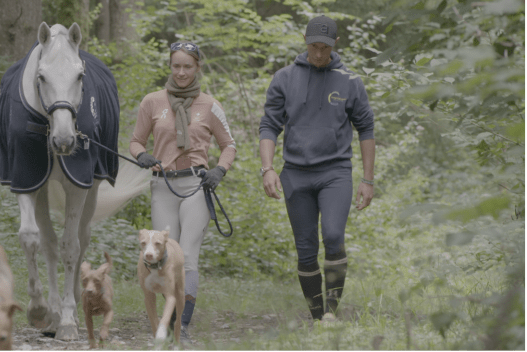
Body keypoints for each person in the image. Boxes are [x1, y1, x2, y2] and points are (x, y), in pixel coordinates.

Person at [259, 15, 375, 323]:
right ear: (305, 42)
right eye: (313, 47)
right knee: (306, 248)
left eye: (325, 47)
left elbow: (366, 129)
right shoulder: (284, 78)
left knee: (334, 236)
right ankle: (316, 316)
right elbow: (269, 125)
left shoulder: (350, 81)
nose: (319, 54)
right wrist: (267, 168)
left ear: (336, 44)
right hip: (295, 173)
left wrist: (368, 179)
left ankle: (331, 314)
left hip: (335, 172)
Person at [130, 41, 237, 342]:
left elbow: (229, 144)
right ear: (170, 66)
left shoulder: (210, 105)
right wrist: (141, 156)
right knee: (163, 255)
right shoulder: (151, 102)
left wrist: (220, 169)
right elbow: (136, 141)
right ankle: (167, 319)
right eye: (176, 66)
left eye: (187, 66)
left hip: (196, 186)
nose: (181, 72)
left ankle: (183, 326)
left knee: (187, 256)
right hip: (162, 184)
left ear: (197, 68)